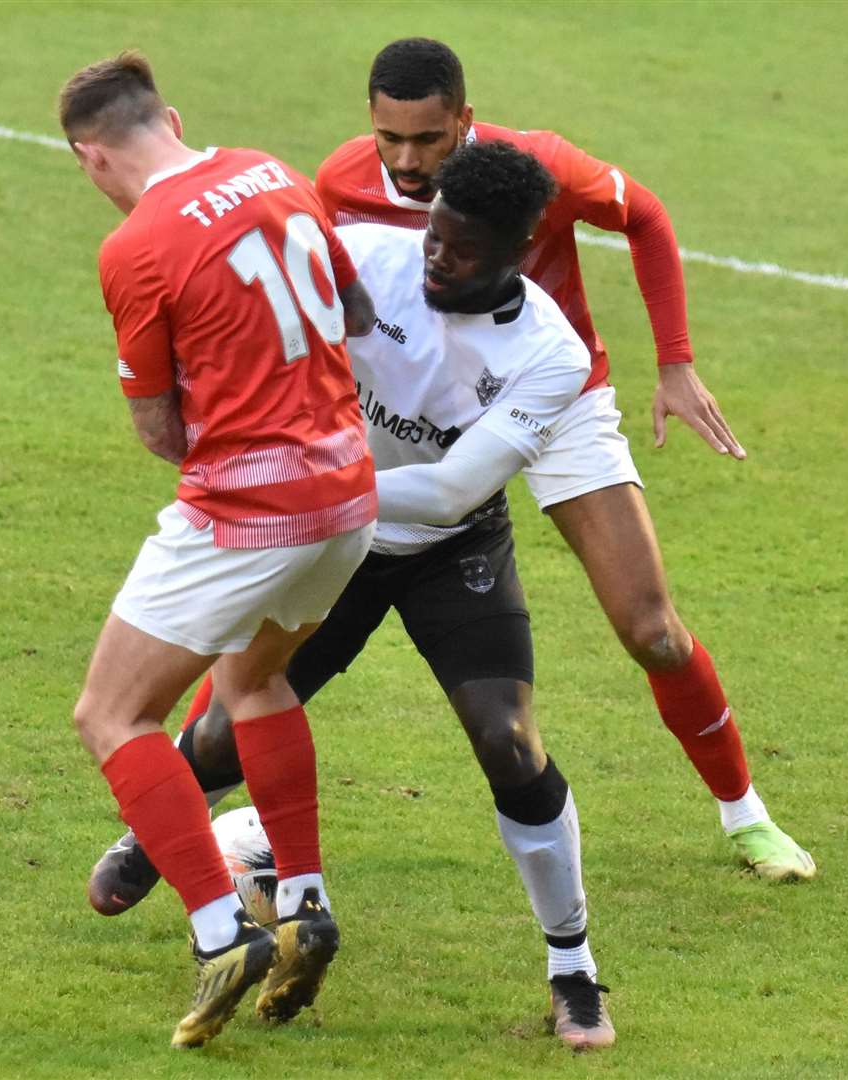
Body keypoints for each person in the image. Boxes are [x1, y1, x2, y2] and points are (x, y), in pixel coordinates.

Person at [92, 142, 616, 1050]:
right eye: (433, 235)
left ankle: (573, 967)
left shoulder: (551, 354)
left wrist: (307, 483)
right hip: (334, 535)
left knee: (511, 740)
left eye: (462, 250)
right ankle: (166, 833)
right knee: (224, 722)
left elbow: (456, 487)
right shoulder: (371, 252)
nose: (435, 257)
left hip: (446, 547)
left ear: (521, 252)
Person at [315, 38, 814, 879]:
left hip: (553, 393)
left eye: (428, 141)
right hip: (419, 406)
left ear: (464, 123)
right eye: (388, 140)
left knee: (651, 629)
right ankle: (173, 805)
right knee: (289, 604)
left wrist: (677, 361)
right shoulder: (341, 182)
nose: (405, 163)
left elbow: (645, 215)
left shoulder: (537, 168)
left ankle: (746, 816)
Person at [59, 50, 379, 1049]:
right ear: (174, 117)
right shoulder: (275, 170)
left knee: (112, 713)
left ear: (90, 159)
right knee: (256, 685)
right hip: (350, 499)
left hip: (248, 509)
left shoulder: (135, 246)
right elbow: (357, 317)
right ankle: (304, 909)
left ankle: (216, 933)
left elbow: (159, 430)